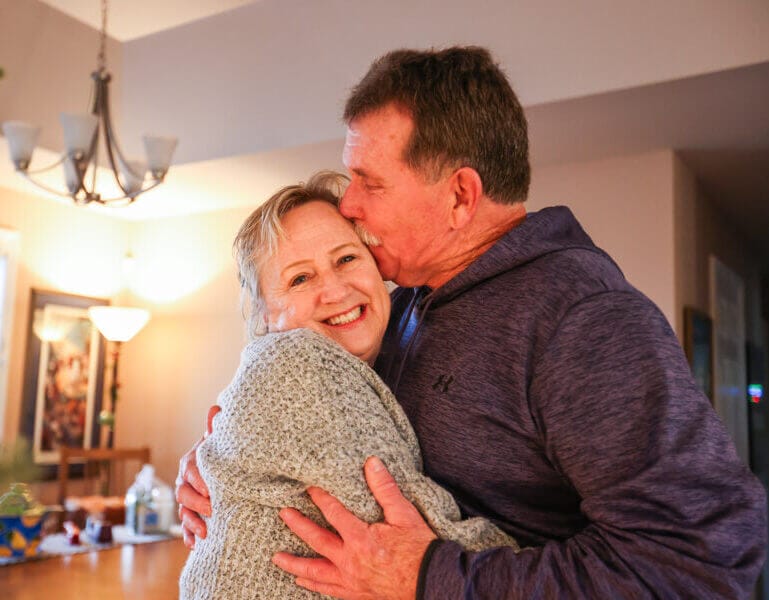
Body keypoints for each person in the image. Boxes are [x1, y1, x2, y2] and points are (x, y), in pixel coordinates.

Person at [177, 47, 768, 598]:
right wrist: (222, 463)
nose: (349, 205)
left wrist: (431, 576)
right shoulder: (402, 303)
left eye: (370, 182)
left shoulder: (582, 321)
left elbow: (705, 562)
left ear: (461, 196)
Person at [178, 173, 518, 599]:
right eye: (300, 279)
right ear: (265, 315)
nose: (335, 290)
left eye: (346, 259)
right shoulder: (297, 363)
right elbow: (408, 528)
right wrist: (545, 551)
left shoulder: (381, 356)